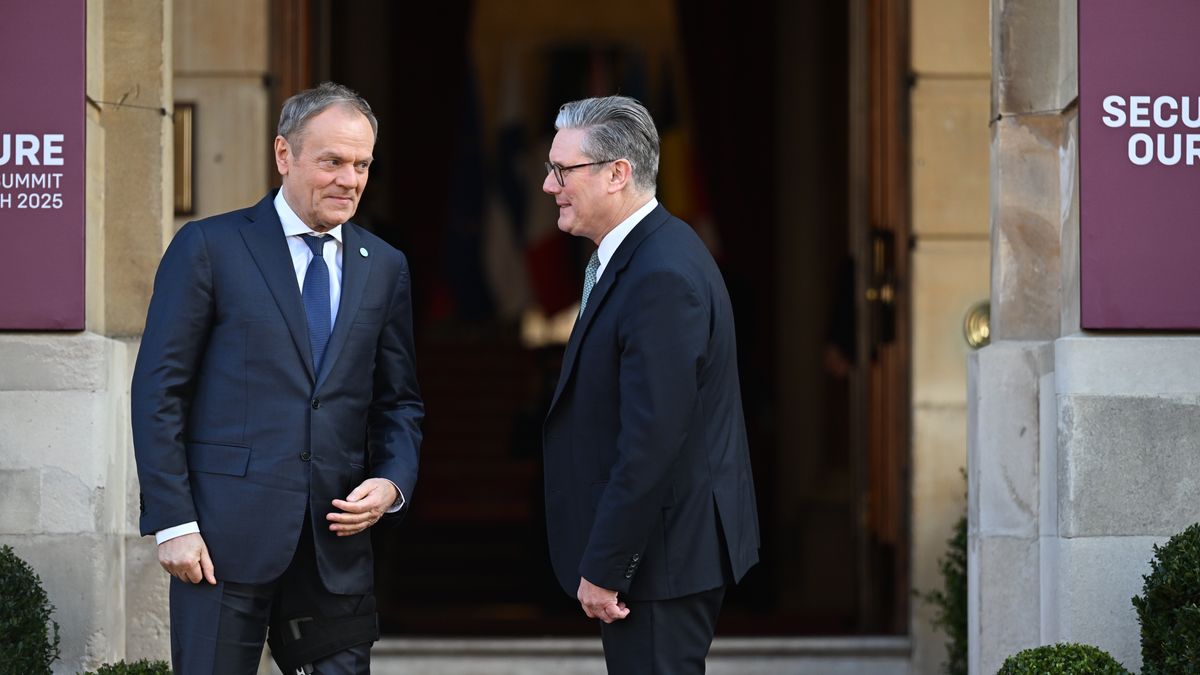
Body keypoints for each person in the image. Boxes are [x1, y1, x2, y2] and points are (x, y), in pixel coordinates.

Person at [131, 82, 423, 674]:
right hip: (219, 544)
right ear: (284, 155)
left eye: (362, 164)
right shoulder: (210, 247)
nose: (350, 179)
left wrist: (392, 482)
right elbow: (159, 391)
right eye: (332, 162)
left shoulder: (385, 267)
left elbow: (399, 403)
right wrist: (173, 523)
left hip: (334, 547)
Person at [540, 95, 761, 674]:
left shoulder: (660, 271)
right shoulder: (642, 255)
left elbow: (652, 439)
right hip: (659, 554)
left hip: (660, 558)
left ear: (618, 174)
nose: (548, 185)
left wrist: (608, 563)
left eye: (562, 170)